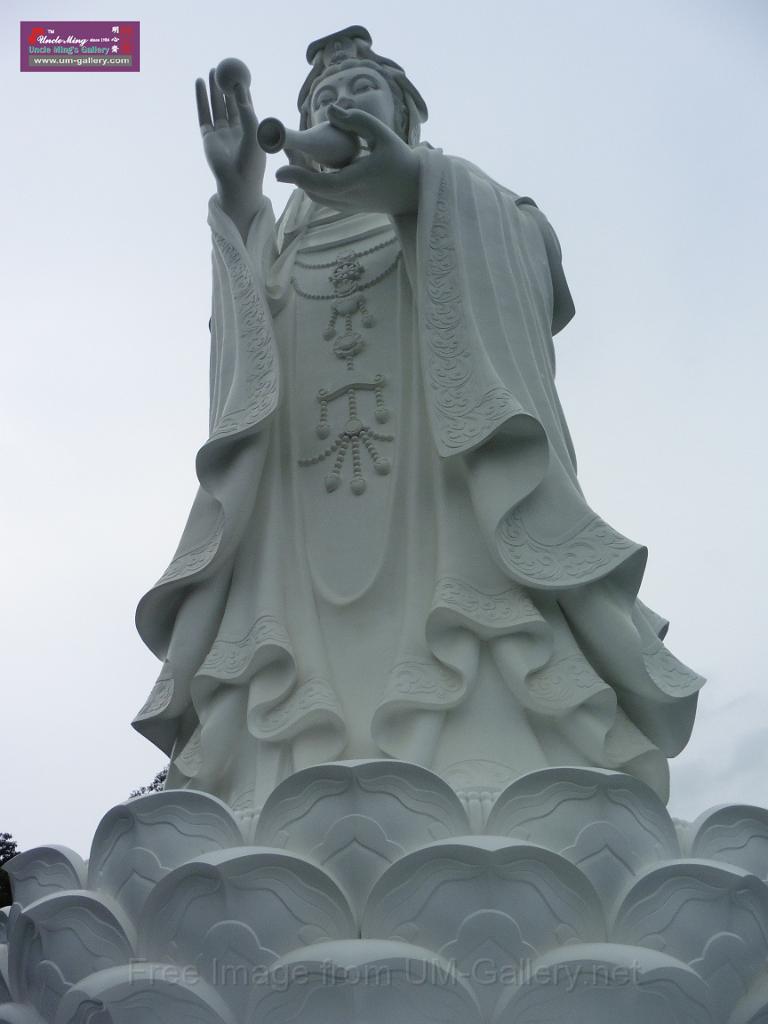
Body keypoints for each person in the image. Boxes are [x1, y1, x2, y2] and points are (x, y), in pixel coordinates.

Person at [132, 26, 703, 829]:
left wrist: (419, 192)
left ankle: (495, 763)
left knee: (472, 610)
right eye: (322, 99)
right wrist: (238, 204)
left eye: (361, 91)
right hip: (303, 519)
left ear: (406, 115)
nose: (337, 103)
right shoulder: (283, 248)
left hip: (444, 499)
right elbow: (241, 388)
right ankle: (280, 781)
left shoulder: (463, 200)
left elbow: (536, 258)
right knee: (283, 671)